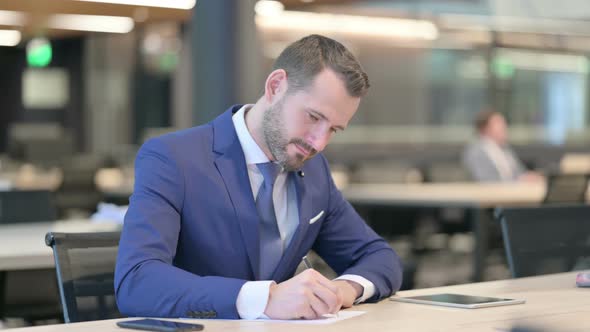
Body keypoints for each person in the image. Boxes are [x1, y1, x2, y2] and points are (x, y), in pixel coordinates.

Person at [114, 34, 403, 320]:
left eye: (334, 130)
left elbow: (380, 257)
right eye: (314, 117)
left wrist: (342, 289)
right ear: (276, 86)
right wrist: (265, 299)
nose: (319, 143)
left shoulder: (315, 171)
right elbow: (137, 282)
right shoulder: (174, 158)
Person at [462, 110, 543, 182]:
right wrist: (518, 181)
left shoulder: (505, 149)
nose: (504, 128)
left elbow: (519, 173)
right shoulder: (475, 152)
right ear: (485, 128)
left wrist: (528, 177)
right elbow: (485, 181)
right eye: (499, 124)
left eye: (504, 124)